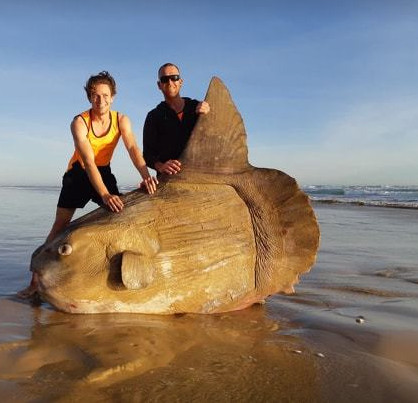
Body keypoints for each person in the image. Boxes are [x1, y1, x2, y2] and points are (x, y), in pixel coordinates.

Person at [18, 71, 158, 299]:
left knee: (119, 214)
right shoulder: (79, 122)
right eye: (95, 95)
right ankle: (35, 281)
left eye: (104, 95)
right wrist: (104, 194)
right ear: (89, 98)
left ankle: (106, 274)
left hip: (103, 171)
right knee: (60, 225)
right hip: (78, 173)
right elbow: (89, 162)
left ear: (112, 97)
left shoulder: (121, 120)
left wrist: (146, 175)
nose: (100, 100)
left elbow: (133, 148)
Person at [143, 63, 210, 175]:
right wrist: (161, 166)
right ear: (159, 85)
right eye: (164, 79)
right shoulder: (153, 116)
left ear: (180, 82)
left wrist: (210, 115)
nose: (170, 82)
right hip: (170, 180)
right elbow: (148, 155)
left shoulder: (198, 107)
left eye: (174, 78)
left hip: (200, 175)